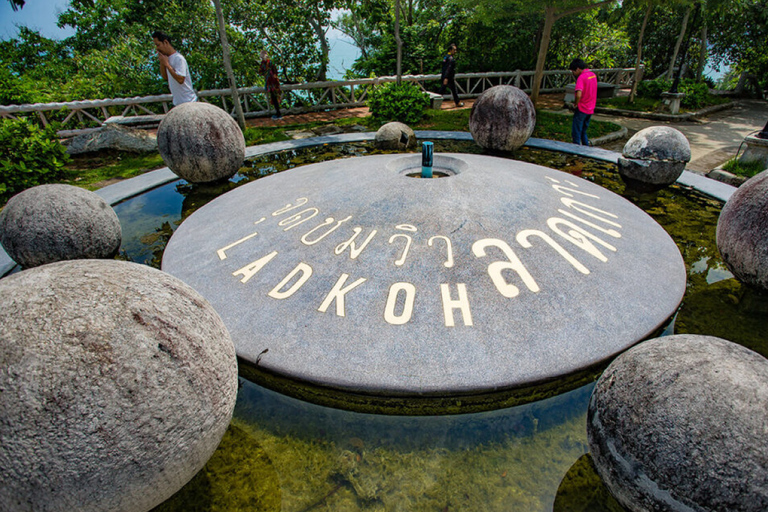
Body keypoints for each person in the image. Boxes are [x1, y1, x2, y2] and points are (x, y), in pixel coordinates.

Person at [152, 31, 197, 107]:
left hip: (189, 101)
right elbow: (165, 77)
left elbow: (180, 79)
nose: (157, 48)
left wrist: (167, 64)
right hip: (177, 103)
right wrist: (162, 63)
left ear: (165, 42)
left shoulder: (178, 58)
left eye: (158, 45)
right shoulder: (167, 58)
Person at [569, 58, 597, 146]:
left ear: (577, 69)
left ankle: (575, 150)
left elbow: (579, 94)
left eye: (573, 71)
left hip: (582, 108)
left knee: (576, 132)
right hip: (591, 108)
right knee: (583, 131)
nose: (573, 73)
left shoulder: (581, 78)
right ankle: (586, 149)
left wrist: (575, 104)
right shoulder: (593, 75)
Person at [259, 50, 282, 120]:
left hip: (273, 82)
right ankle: (277, 112)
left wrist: (273, 76)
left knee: (275, 97)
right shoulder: (263, 63)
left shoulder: (270, 62)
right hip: (269, 82)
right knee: (273, 97)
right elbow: (261, 72)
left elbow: (275, 71)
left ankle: (278, 113)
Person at [439, 43, 463, 108]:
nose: (455, 51)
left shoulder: (446, 57)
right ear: (450, 50)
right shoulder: (450, 58)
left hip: (446, 76)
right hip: (448, 77)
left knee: (453, 90)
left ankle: (457, 102)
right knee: (442, 90)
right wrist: (446, 77)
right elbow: (448, 69)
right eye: (454, 50)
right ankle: (436, 102)